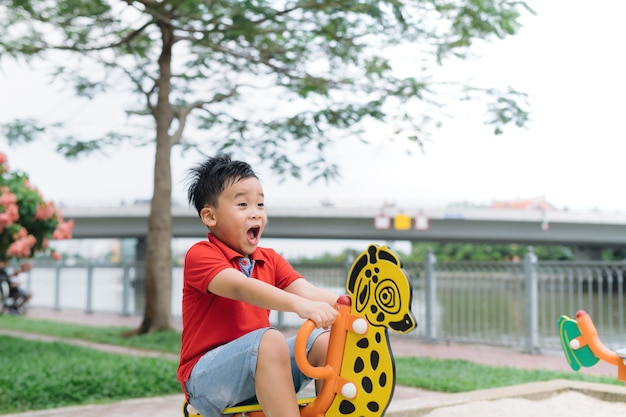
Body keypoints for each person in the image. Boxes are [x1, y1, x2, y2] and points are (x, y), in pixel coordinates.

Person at [177, 154, 340, 417]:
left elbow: (309, 292)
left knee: (325, 341)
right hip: (206, 379)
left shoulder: (269, 259)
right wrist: (301, 306)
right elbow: (242, 287)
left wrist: (354, 306)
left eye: (260, 204)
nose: (255, 212)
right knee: (270, 338)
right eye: (242, 204)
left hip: (260, 364)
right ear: (209, 216)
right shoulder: (201, 255)